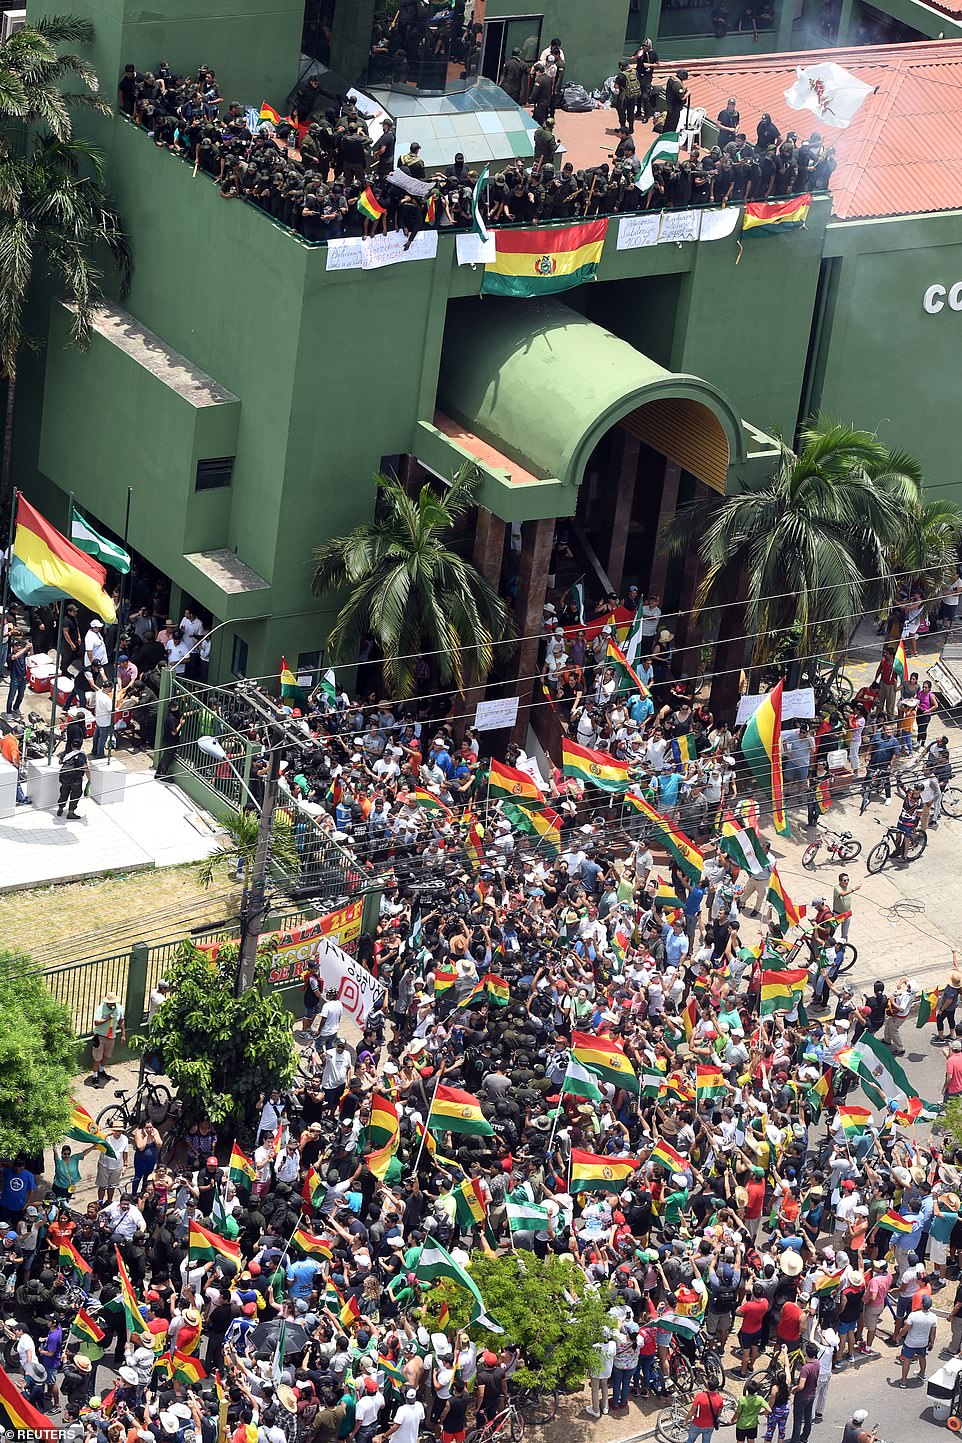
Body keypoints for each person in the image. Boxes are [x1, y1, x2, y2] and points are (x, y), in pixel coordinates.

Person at [895, 1293, 937, 1385]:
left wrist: (898, 1336)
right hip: (923, 1342)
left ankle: (904, 1380)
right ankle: (922, 1373)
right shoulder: (933, 1317)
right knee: (922, 1357)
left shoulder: (913, 1315)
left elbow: (905, 1329)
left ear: (922, 1305)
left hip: (911, 1342)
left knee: (907, 1360)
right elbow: (933, 1332)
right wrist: (932, 1343)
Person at [57, 743, 88, 819]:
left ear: (72, 746)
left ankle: (60, 809)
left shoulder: (67, 753)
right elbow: (85, 767)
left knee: (64, 792)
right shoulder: (81, 755)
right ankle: (71, 812)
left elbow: (60, 762)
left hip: (64, 776)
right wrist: (90, 779)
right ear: (80, 746)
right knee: (75, 794)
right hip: (75, 778)